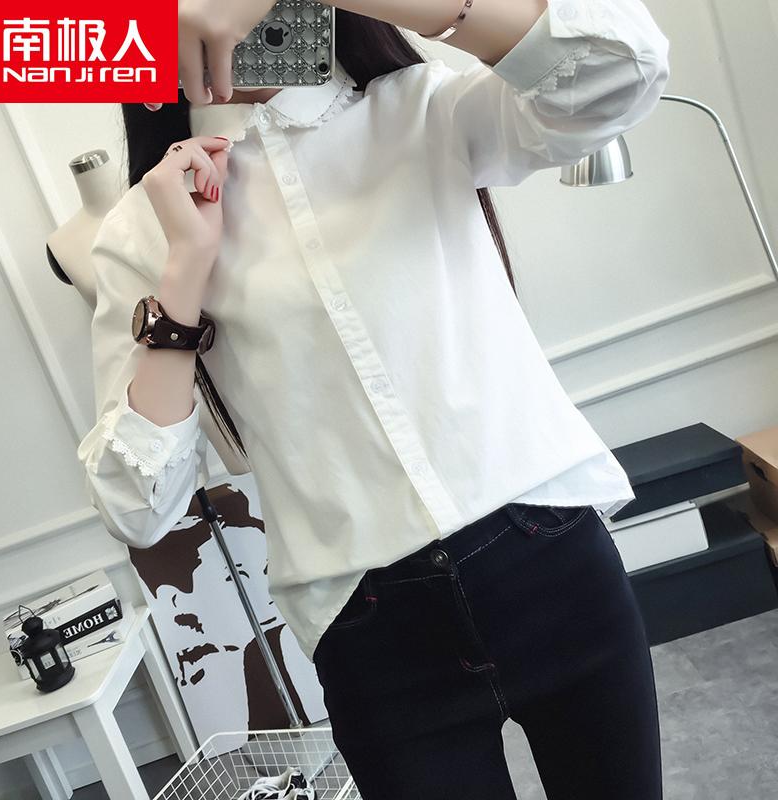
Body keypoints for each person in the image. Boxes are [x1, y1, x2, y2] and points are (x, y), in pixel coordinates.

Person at [77, 0, 671, 797]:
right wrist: (184, 268)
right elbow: (137, 509)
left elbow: (622, 64)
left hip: (551, 560)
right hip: (373, 636)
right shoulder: (144, 229)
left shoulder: (422, 108)